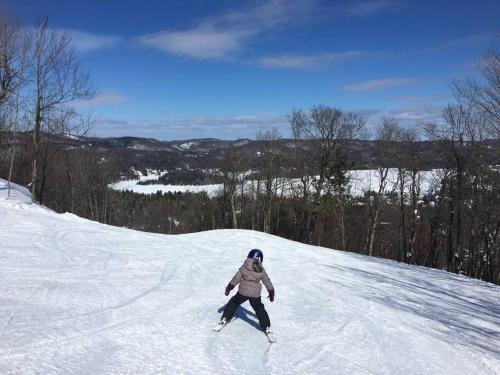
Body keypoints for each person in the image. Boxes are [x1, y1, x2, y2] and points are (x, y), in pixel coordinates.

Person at [218, 249, 275, 335]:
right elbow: (267, 281)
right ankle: (266, 326)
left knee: (233, 303)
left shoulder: (244, 267)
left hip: (243, 292)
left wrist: (229, 288)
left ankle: (225, 318)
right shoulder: (261, 270)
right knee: (259, 308)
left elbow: (236, 278)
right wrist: (271, 292)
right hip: (255, 294)